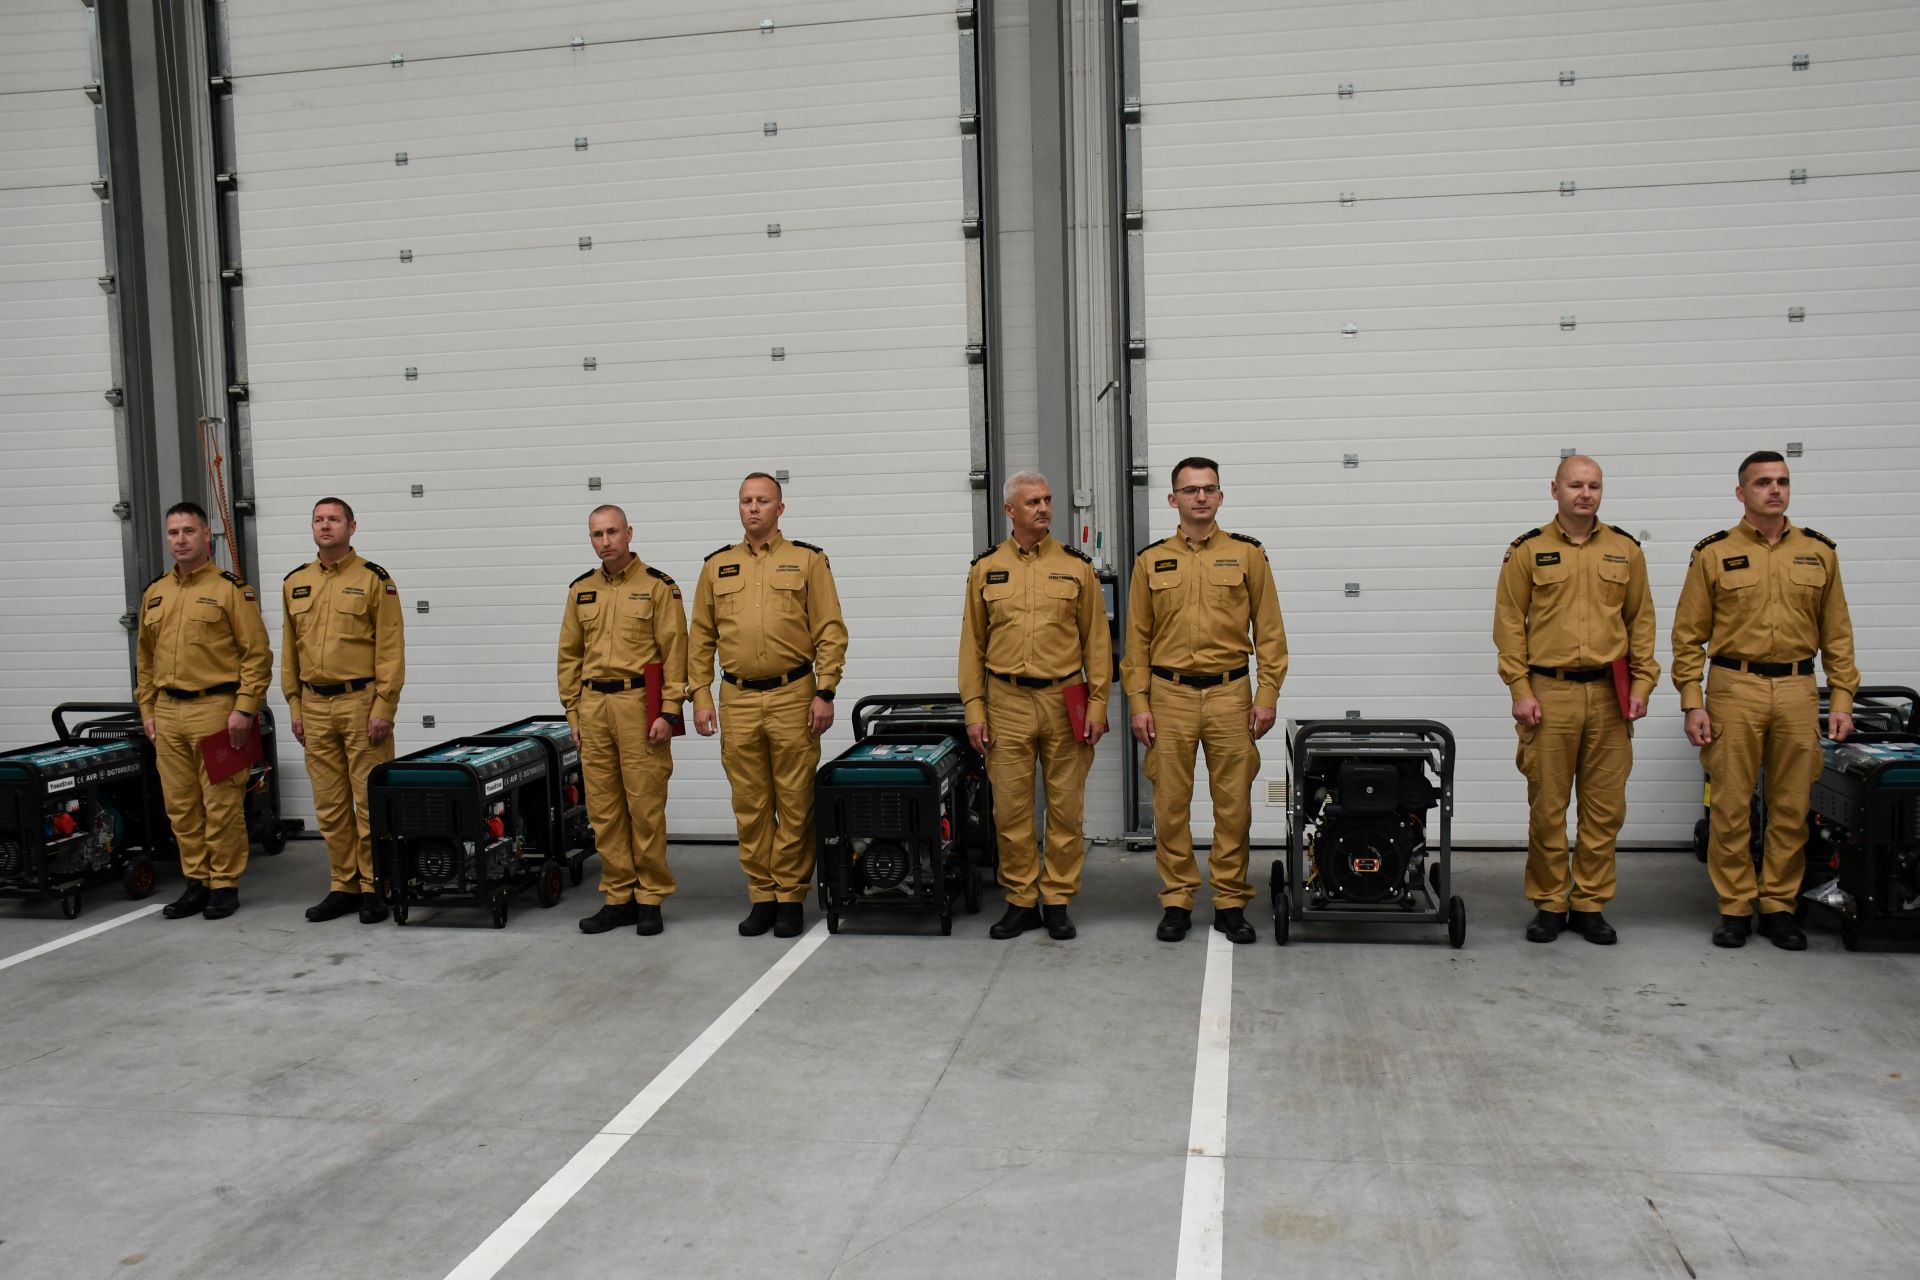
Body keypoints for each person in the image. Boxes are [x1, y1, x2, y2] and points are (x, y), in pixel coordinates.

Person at [1672, 451, 1858, 951]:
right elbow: (1688, 636)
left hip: (1798, 688)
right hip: (1735, 687)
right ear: (1741, 493)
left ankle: (1778, 906)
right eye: (1762, 482)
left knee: (1792, 806)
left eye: (1782, 481)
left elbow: (1838, 634)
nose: (1774, 490)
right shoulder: (1713, 553)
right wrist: (1692, 700)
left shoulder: (1819, 552)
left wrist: (1842, 697)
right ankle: (1735, 907)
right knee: (1731, 804)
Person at [1493, 455, 1658, 945]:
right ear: (1555, 490)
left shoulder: (1625, 550)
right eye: (1576, 485)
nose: (1585, 494)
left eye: (1594, 486)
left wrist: (1643, 685)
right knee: (1547, 806)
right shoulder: (1528, 550)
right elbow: (1509, 624)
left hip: (1610, 694)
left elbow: (1641, 621)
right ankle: (1550, 902)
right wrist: (1520, 689)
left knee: (1604, 808)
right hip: (1550, 694)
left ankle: (1589, 903)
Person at [1122, 457, 1287, 944]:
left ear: (1220, 496)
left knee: (1233, 806)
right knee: (1170, 805)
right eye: (1190, 489)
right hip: (1168, 695)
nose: (1200, 497)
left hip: (1230, 695)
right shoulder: (1150, 561)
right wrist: (1138, 702)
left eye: (1209, 488)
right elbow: (1136, 640)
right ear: (1172, 498)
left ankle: (1230, 901)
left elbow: (1271, 633)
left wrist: (1267, 695)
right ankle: (1176, 900)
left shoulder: (1247, 555)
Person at [689, 473, 848, 938]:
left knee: (795, 800)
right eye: (746, 501)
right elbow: (700, 638)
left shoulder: (808, 561)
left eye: (762, 501)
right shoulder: (716, 566)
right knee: (750, 803)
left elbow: (830, 630)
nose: (753, 508)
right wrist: (700, 696)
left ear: (780, 509)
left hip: (793, 695)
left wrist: (826, 691)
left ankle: (790, 897)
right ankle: (762, 895)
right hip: (737, 698)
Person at [958, 471, 1111, 940]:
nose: (1043, 508)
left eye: (1047, 500)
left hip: (1066, 697)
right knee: (1011, 809)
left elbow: (1097, 642)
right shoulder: (986, 569)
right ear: (1010, 510)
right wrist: (974, 709)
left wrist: (1098, 704)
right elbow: (972, 647)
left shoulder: (1076, 567)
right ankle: (1022, 900)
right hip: (1006, 700)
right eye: (1032, 502)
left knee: (1066, 808)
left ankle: (1058, 899)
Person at [135, 502, 273, 920]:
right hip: (168, 712)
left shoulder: (231, 590)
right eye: (173, 532)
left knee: (221, 805)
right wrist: (147, 708)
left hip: (217, 710)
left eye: (188, 531)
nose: (180, 539)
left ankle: (224, 884)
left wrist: (245, 709)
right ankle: (196, 882)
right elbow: (145, 659)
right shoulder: (155, 592)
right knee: (180, 805)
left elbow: (257, 655)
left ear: (206, 536)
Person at [557, 505, 687, 936]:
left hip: (638, 705)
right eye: (597, 534)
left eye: (612, 532)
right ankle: (618, 897)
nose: (605, 541)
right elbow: (569, 655)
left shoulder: (657, 587)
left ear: (629, 533)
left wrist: (669, 710)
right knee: (604, 809)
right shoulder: (581, 591)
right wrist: (573, 710)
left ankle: (649, 897)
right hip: (594, 707)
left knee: (645, 807)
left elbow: (675, 653)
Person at [284, 497, 405, 926]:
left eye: (334, 519)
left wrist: (384, 706)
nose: (325, 526)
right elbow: (290, 652)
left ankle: (375, 886)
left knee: (369, 800)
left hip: (361, 703)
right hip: (314, 704)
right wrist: (295, 704)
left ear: (352, 527)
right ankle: (344, 886)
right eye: (318, 519)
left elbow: (390, 648)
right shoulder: (295, 582)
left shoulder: (374, 579)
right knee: (330, 804)